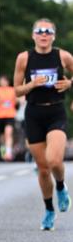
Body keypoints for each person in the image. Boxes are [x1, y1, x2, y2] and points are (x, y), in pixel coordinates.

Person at [13, 19, 72, 230]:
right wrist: (31, 84)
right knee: (43, 169)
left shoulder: (62, 56)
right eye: (40, 31)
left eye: (48, 31)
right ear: (33, 35)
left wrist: (70, 83)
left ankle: (61, 186)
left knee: (54, 161)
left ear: (54, 36)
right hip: (33, 113)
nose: (44, 34)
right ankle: (48, 210)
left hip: (56, 110)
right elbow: (16, 90)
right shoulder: (24, 58)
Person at [0, 75, 18, 161]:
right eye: (1, 81)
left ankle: (8, 153)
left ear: (7, 81)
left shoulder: (12, 90)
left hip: (10, 115)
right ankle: (3, 153)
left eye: (4, 81)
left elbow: (18, 100)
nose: (3, 82)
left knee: (8, 133)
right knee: (2, 137)